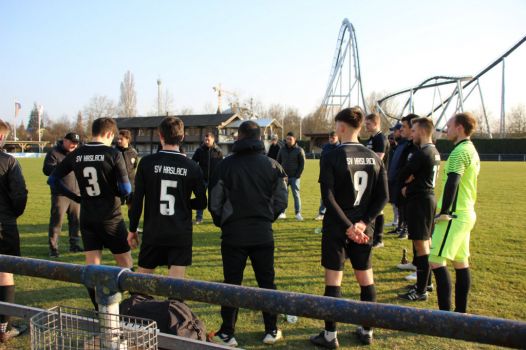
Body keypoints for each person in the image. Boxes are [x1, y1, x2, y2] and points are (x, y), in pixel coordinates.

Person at [310, 107, 388, 348]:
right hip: (364, 229)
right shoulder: (374, 157)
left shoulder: (332, 155)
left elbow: (328, 197)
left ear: (342, 127)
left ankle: (330, 335)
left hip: (337, 227)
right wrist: (362, 224)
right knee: (366, 279)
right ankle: (367, 330)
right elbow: (383, 197)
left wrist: (347, 226)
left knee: (333, 282)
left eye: (336, 125)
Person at [208, 120, 288, 347]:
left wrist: (225, 222)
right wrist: (265, 219)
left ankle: (227, 333)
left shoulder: (225, 165)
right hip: (262, 234)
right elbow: (282, 201)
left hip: (235, 235)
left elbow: (214, 202)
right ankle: (271, 329)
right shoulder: (272, 165)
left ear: (240, 137)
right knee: (267, 283)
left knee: (231, 284)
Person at [48, 117, 133, 310]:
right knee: (125, 263)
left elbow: (53, 180)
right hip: (111, 217)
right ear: (110, 134)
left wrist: (75, 197)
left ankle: (99, 309)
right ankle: (131, 307)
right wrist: (119, 194)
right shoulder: (113, 154)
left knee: (93, 266)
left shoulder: (77, 154)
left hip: (87, 216)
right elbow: (126, 188)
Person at [127, 117, 207, 279]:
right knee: (175, 289)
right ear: (182, 137)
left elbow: (137, 201)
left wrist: (132, 229)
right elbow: (202, 202)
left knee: (142, 285)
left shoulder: (147, 162)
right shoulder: (192, 167)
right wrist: (183, 202)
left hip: (153, 231)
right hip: (179, 232)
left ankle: (138, 304)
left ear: (160, 135)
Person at [430, 112, 480, 313]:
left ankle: (445, 315)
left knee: (435, 260)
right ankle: (460, 313)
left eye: (449, 125)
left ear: (459, 128)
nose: (446, 129)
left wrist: (444, 212)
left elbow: (453, 181)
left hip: (455, 215)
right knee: (460, 263)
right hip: (467, 213)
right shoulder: (471, 150)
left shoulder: (459, 152)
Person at [396, 117, 441, 301]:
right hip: (427, 199)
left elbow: (402, 174)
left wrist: (408, 184)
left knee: (421, 245)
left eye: (413, 131)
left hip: (420, 201)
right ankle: (426, 283)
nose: (411, 134)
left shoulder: (422, 153)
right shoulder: (434, 151)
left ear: (422, 131)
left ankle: (421, 290)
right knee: (425, 243)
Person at [0, 119, 28, 343]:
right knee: (4, 272)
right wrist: (12, 215)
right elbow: (19, 194)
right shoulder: (8, 161)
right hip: (3, 224)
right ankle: (4, 327)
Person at [43, 132, 83, 258]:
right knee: (57, 222)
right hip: (60, 194)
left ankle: (74, 245)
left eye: (76, 143)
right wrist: (63, 167)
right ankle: (53, 248)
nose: (73, 145)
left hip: (76, 194)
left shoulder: (77, 153)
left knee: (75, 222)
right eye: (71, 142)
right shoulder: (54, 153)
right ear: (64, 140)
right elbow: (46, 170)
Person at [365, 113, 389, 248]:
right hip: (372, 177)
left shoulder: (380, 138)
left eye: (368, 124)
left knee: (378, 208)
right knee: (376, 208)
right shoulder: (372, 138)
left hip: (378, 177)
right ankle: (375, 237)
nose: (366, 126)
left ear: (375, 123)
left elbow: (378, 159)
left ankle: (378, 239)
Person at [191, 132, 223, 224]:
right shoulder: (199, 150)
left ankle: (215, 219)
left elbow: (221, 166)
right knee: (201, 199)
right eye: (205, 139)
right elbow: (193, 163)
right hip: (202, 180)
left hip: (214, 180)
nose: (206, 141)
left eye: (208, 139)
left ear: (213, 139)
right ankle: (199, 218)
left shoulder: (218, 151)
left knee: (214, 200)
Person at [277, 131, 305, 221]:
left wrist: (297, 175)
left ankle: (298, 213)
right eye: (287, 139)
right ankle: (282, 212)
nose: (288, 140)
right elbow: (278, 162)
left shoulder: (299, 150)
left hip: (294, 177)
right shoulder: (282, 149)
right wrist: (281, 175)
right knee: (283, 195)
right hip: (284, 177)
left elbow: (302, 164)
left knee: (296, 195)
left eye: (290, 139)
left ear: (295, 139)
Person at [315, 131, 339, 221]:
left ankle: (336, 213)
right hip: (325, 175)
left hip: (336, 176)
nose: (331, 139)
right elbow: (322, 160)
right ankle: (322, 212)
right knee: (325, 195)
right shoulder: (326, 147)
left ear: (337, 138)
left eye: (333, 138)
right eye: (330, 137)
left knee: (337, 196)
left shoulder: (340, 148)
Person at [116, 129, 139, 209]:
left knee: (131, 208)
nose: (118, 141)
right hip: (117, 185)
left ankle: (132, 221)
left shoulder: (134, 152)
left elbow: (134, 166)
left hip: (131, 185)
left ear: (128, 139)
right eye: (118, 139)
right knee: (116, 208)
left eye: (121, 139)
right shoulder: (114, 152)